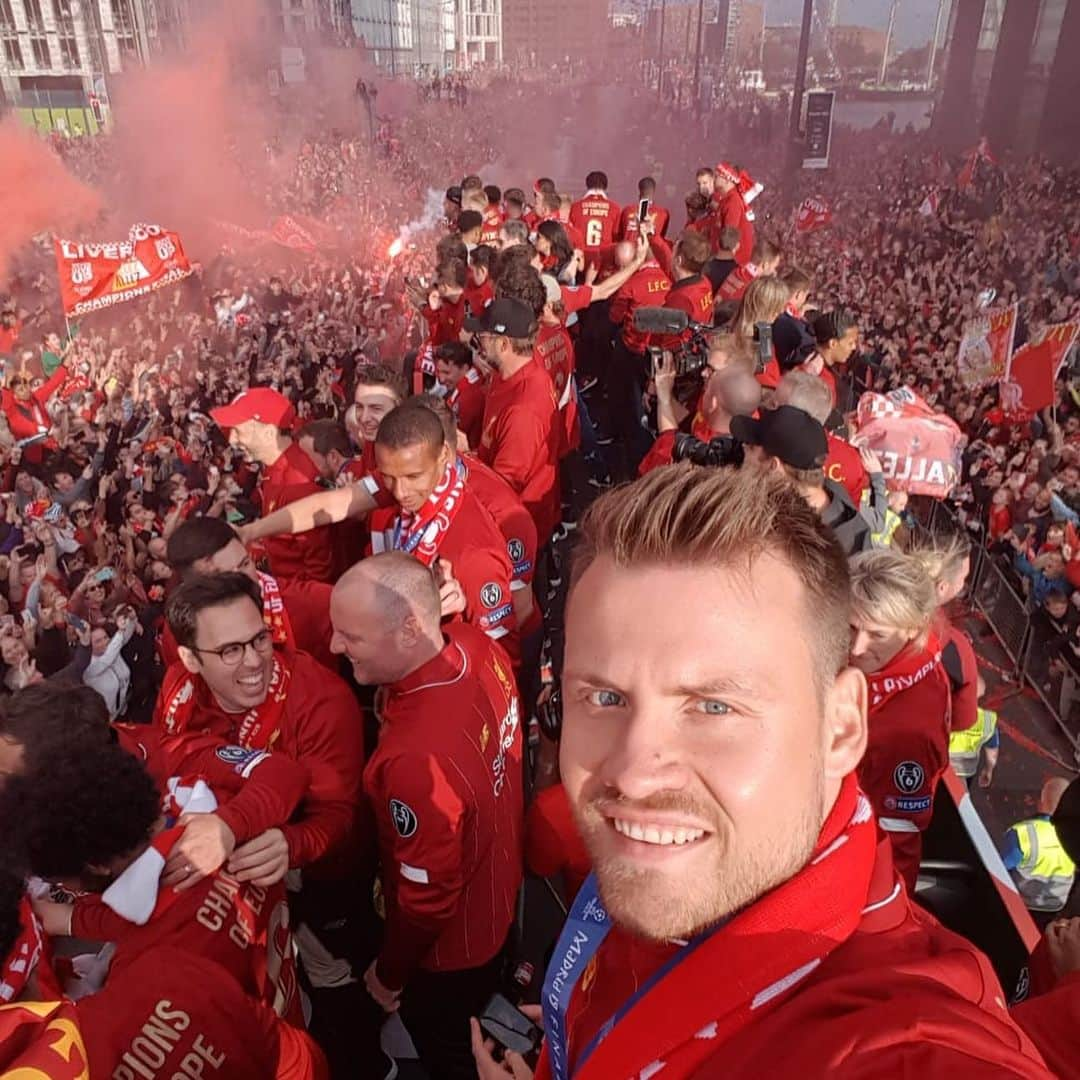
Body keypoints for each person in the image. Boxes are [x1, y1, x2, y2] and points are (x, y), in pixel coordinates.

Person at [474, 464, 1049, 1079]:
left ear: (842, 728)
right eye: (605, 698)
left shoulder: (905, 1045)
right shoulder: (697, 868)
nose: (636, 775)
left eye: (714, 707)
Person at [330, 553, 523, 1080]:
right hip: (501, 893)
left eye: (351, 636)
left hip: (452, 951)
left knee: (456, 1054)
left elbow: (426, 898)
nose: (334, 646)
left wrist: (389, 977)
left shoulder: (416, 762)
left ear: (411, 628)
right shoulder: (479, 646)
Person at [849, 549, 952, 893]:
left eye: (876, 634)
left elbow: (897, 840)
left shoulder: (906, 731)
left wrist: (882, 913)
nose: (857, 647)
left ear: (912, 629)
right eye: (850, 626)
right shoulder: (911, 660)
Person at [164, 514, 335, 671]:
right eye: (226, 576)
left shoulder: (308, 603)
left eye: (245, 564)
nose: (246, 580)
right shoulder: (181, 630)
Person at [210, 387, 335, 584]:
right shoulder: (274, 469)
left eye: (238, 431)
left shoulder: (298, 484)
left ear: (269, 433)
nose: (232, 440)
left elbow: (319, 572)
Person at [468, 297, 562, 546]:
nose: (478, 344)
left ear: (503, 344)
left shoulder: (523, 409)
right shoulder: (508, 376)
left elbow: (504, 486)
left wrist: (464, 460)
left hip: (514, 526)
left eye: (483, 338)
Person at [733, 405, 872, 555]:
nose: (744, 448)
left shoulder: (823, 551)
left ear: (774, 466)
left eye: (752, 447)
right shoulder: (829, 490)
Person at [1001, 777, 1077, 913]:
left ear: (1041, 803)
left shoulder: (1023, 832)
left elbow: (1000, 868)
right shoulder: (1074, 837)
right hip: (1055, 906)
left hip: (1020, 904)